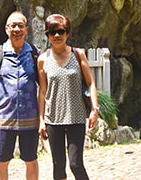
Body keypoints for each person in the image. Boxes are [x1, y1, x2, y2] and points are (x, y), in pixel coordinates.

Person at [38, 14, 98, 180]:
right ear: (47, 35)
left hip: (76, 117)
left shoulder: (78, 55)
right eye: (52, 32)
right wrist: (41, 120)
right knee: (58, 166)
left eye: (61, 31)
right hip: (53, 119)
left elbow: (91, 82)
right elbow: (43, 91)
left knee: (75, 164)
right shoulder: (43, 59)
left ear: (67, 33)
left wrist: (95, 109)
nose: (57, 36)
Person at [0, 12, 40, 180]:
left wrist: (43, 118)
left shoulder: (34, 54)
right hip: (4, 118)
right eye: (13, 26)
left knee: (31, 160)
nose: (17, 29)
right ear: (6, 29)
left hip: (30, 118)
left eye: (20, 26)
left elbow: (43, 88)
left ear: (26, 29)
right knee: (2, 161)